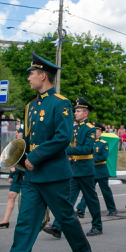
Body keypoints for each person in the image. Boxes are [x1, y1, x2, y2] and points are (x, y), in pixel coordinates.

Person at [0, 53, 95, 252]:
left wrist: (35, 156)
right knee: (25, 223)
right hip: (33, 175)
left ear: (42, 75)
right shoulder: (31, 106)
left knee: (65, 219)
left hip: (54, 174)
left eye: (31, 74)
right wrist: (19, 160)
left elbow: (63, 137)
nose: (28, 78)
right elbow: (27, 138)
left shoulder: (61, 103)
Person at [44, 96, 104, 237]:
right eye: (75, 111)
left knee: (90, 199)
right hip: (73, 168)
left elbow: (86, 150)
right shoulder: (75, 128)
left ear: (85, 113)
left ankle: (97, 226)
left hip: (85, 169)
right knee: (67, 199)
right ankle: (57, 227)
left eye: (78, 111)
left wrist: (66, 150)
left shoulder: (90, 129)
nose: (75, 113)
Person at [76, 122, 118, 219]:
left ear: (100, 132)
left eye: (97, 130)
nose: (95, 132)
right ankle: (81, 209)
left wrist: (90, 159)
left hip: (101, 170)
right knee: (88, 190)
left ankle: (112, 209)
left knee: (105, 191)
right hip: (91, 170)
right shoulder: (89, 142)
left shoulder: (103, 143)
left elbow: (103, 157)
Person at [0, 130, 25, 229]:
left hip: (26, 174)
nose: (16, 134)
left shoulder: (27, 144)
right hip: (17, 175)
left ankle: (23, 221)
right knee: (11, 195)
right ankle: (5, 220)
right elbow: (13, 161)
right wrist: (10, 176)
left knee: (25, 199)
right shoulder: (17, 145)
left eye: (18, 133)